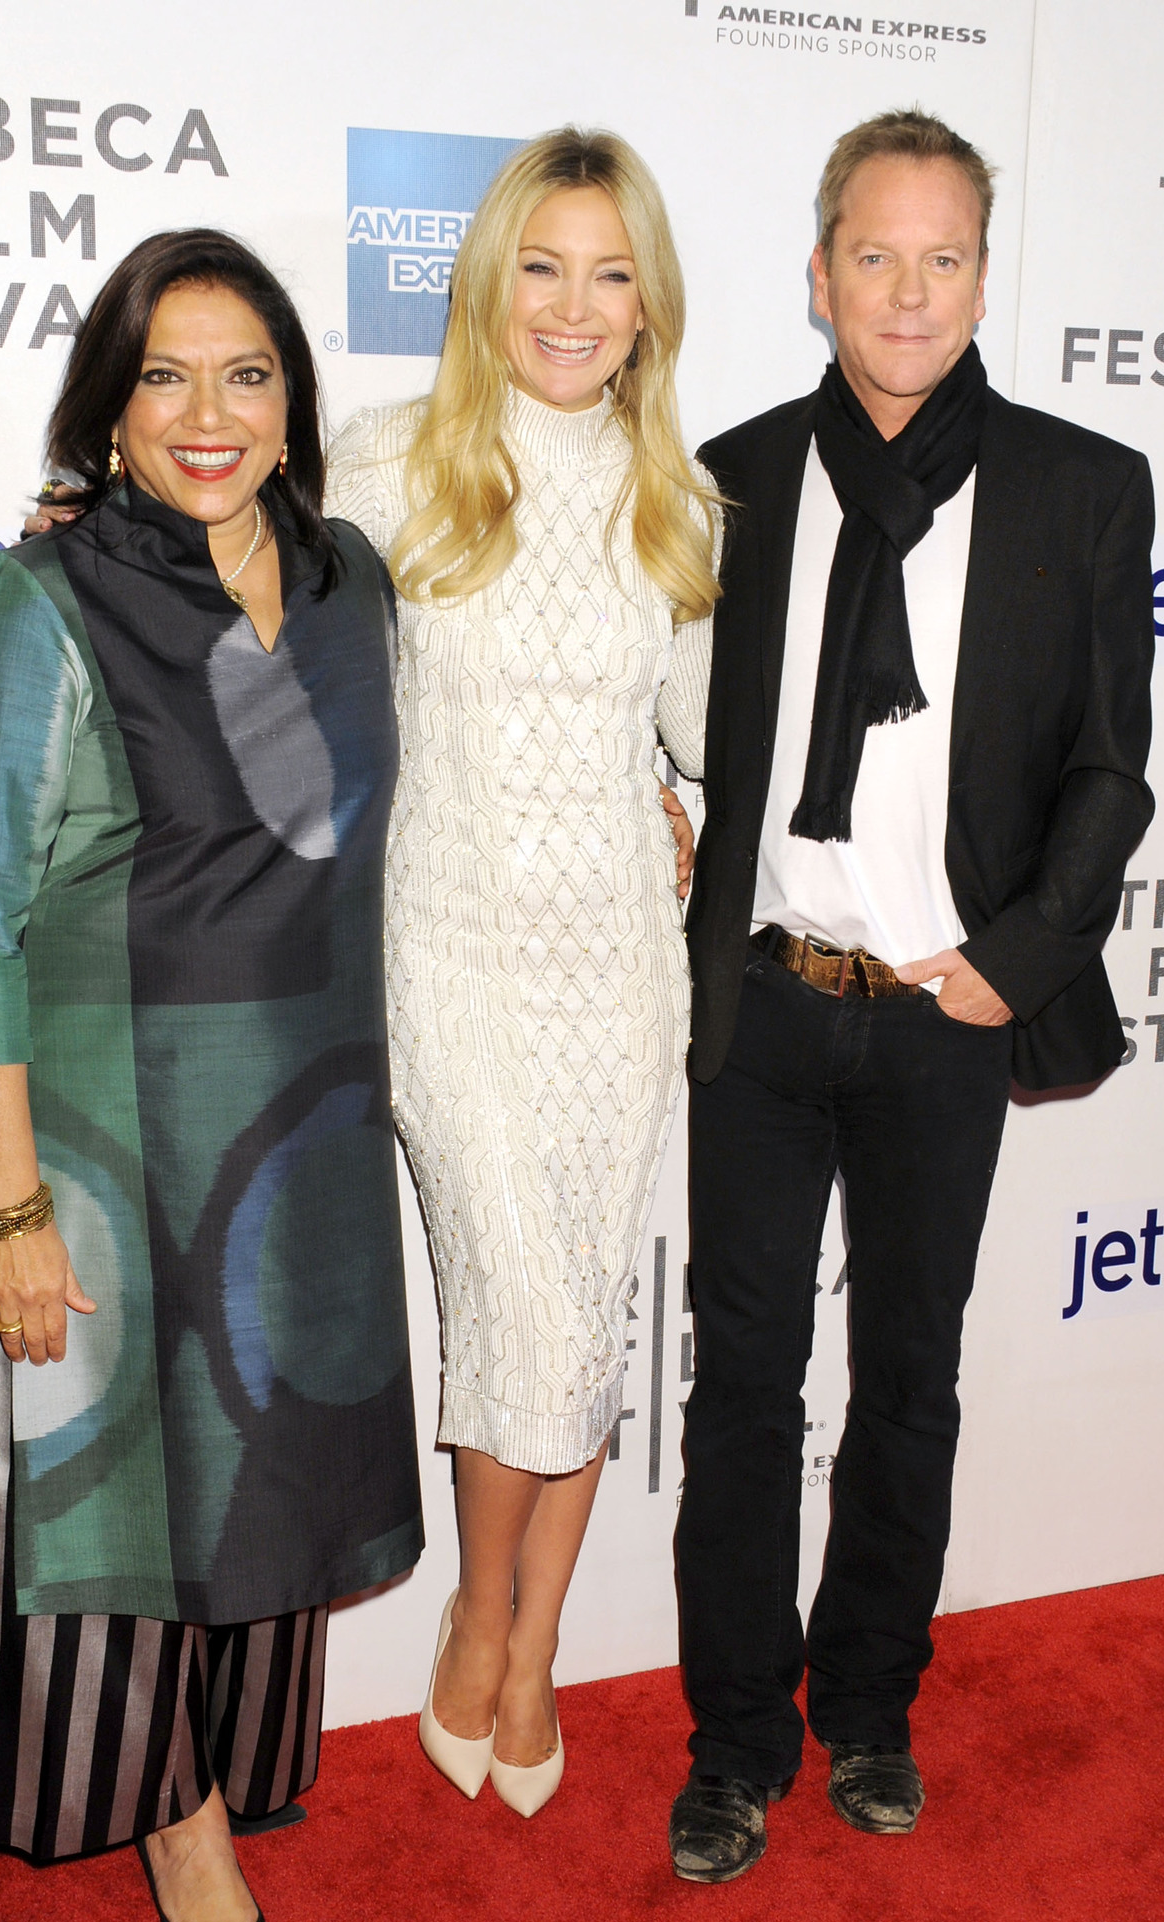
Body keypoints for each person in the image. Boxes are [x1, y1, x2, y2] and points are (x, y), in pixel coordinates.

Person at [0, 228, 422, 1922]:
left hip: (306, 1107)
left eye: (248, 373)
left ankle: (235, 1759)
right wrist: (9, 1205)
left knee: (270, 1454)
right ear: (110, 409)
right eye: (164, 375)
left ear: (294, 400)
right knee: (136, 1494)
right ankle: (171, 1813)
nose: (207, 414)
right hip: (114, 1118)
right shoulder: (39, 603)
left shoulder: (354, 578)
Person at [669, 108, 1155, 1883]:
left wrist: (1011, 967)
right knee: (742, 1390)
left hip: (943, 1012)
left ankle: (865, 1705)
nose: (907, 290)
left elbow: (1112, 773)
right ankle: (731, 1744)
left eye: (942, 255)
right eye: (873, 254)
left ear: (978, 273)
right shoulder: (722, 479)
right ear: (816, 275)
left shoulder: (1082, 488)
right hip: (768, 1008)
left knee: (910, 1379)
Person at [324, 127, 716, 1815]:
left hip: (622, 968)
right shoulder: (389, 461)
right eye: (542, 267)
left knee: (578, 1314)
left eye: (609, 272)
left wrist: (687, 805)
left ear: (648, 306)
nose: (573, 305)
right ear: (489, 285)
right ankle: (485, 1610)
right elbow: (292, 688)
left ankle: (528, 1639)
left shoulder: (679, 501)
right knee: (527, 1308)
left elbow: (705, 738)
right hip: (452, 956)